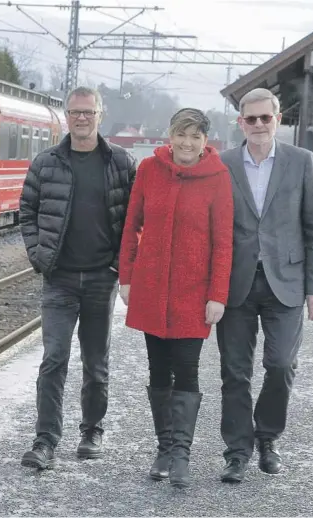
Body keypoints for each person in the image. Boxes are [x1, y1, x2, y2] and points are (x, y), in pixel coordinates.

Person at [18, 86, 137, 470]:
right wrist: (39, 257)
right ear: (66, 117)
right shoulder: (46, 163)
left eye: (88, 112)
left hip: (103, 278)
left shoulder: (121, 163)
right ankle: (45, 439)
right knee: (54, 358)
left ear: (100, 114)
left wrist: (123, 264)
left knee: (96, 362)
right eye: (74, 112)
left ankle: (91, 431)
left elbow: (136, 219)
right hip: (60, 279)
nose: (81, 118)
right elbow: (27, 212)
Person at [118, 108, 234, 488]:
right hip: (152, 289)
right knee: (157, 369)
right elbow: (131, 224)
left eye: (195, 136)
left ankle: (181, 454)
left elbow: (223, 242)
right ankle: (164, 448)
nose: (187, 142)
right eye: (180, 134)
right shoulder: (149, 172)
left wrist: (217, 294)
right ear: (169, 135)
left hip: (192, 294)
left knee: (186, 369)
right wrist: (127, 277)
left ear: (205, 141)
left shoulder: (217, 178)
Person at [217, 88, 313, 483]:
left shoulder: (301, 161)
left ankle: (267, 438)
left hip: (288, 282)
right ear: (241, 122)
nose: (259, 125)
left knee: (280, 364)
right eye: (252, 119)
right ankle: (237, 450)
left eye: (266, 118)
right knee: (235, 371)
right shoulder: (224, 163)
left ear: (278, 119)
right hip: (237, 283)